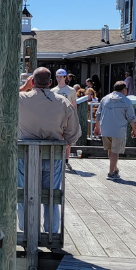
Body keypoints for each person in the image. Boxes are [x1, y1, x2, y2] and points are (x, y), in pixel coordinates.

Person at [17, 67, 81, 234]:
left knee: (23, 195)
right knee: (51, 196)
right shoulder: (63, 102)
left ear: (32, 82)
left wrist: (24, 87)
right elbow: (74, 132)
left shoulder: (20, 99)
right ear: (51, 82)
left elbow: (4, 99)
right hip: (52, 155)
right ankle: (51, 234)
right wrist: (65, 142)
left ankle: (26, 231)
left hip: (25, 155)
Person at [93, 81, 136, 179]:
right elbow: (131, 118)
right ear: (124, 90)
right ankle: (111, 172)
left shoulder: (105, 98)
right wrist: (134, 129)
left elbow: (98, 114)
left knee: (110, 150)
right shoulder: (126, 101)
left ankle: (115, 169)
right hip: (118, 129)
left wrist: (97, 127)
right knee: (115, 151)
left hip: (105, 129)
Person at [54, 68, 77, 167]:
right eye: (57, 77)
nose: (59, 79)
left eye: (60, 77)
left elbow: (74, 104)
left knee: (68, 138)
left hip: (68, 116)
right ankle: (58, 158)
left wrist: (75, 117)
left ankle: (66, 160)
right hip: (57, 117)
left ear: (65, 77)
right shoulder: (53, 90)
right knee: (58, 136)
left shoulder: (71, 90)